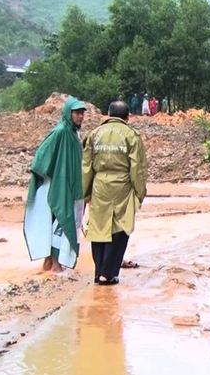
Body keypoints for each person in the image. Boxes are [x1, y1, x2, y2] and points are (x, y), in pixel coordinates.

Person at [82, 100, 147, 285]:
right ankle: (108, 273)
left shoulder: (94, 134)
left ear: (108, 114)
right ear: (128, 117)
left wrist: (85, 193)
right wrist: (139, 192)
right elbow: (138, 168)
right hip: (122, 186)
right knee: (120, 228)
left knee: (99, 228)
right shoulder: (131, 135)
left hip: (99, 185)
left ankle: (98, 272)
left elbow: (86, 166)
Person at [23, 96, 88, 272]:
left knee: (59, 222)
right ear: (68, 113)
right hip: (57, 188)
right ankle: (55, 264)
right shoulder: (60, 132)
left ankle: (50, 263)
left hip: (69, 187)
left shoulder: (73, 133)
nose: (80, 117)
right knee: (60, 222)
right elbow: (40, 158)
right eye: (77, 113)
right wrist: (52, 176)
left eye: (82, 113)